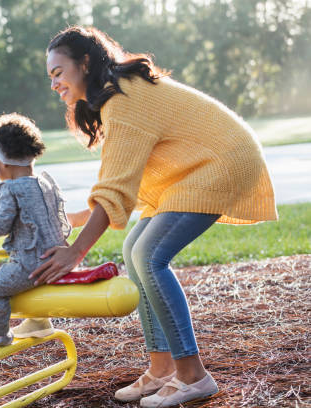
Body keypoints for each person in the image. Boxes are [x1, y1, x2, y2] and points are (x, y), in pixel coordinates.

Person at [32, 26, 278, 408]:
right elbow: (119, 183)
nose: (54, 84)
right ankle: (162, 368)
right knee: (134, 249)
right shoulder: (118, 94)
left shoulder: (123, 98)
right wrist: (74, 219)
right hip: (199, 166)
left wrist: (75, 253)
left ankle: (194, 376)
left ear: (83, 63)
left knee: (149, 255)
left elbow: (115, 191)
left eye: (57, 72)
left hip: (224, 161)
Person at [0, 113, 72, 347]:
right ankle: (39, 321)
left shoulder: (10, 189)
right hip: (57, 257)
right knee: (7, 275)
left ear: (2, 162)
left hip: (32, 264)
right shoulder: (45, 182)